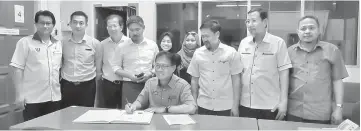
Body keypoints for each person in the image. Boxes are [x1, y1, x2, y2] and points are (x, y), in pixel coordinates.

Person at [287, 15, 348, 125]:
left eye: (311, 28)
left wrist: (339, 108)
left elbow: (337, 81)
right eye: (303, 28)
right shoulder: (289, 52)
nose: (307, 31)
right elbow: (284, 80)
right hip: (293, 111)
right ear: (298, 31)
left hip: (320, 113)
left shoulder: (332, 50)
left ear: (319, 30)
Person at [238, 8, 292, 120]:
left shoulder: (278, 43)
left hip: (269, 105)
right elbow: (240, 72)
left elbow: (284, 74)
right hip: (245, 104)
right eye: (247, 21)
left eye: (253, 20)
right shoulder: (243, 43)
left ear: (265, 22)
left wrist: (284, 102)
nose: (250, 24)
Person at [10, 10, 62, 121]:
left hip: (54, 98)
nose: (45, 26)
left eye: (48, 23)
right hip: (33, 99)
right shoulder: (25, 42)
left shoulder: (58, 44)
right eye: (42, 23)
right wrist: (19, 95)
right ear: (36, 24)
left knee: (52, 127)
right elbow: (17, 69)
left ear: (53, 25)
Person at [187, 20, 243, 116]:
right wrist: (194, 103)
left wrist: (235, 105)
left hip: (226, 106)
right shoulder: (198, 53)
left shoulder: (231, 53)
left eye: (207, 36)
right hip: (203, 105)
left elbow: (236, 80)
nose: (204, 39)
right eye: (203, 36)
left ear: (217, 34)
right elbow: (194, 80)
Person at [125, 51, 196, 114]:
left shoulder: (183, 85)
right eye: (157, 66)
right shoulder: (150, 83)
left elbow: (191, 108)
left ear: (173, 68)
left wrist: (166, 109)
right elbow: (140, 101)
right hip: (152, 123)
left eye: (164, 66)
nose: (159, 69)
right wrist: (133, 106)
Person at [111, 16, 159, 109]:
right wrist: (130, 76)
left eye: (138, 29)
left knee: (150, 112)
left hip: (149, 84)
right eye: (132, 30)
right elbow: (115, 67)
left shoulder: (152, 45)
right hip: (129, 85)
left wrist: (150, 73)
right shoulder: (122, 46)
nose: (135, 33)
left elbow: (158, 65)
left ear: (143, 28)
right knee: (130, 113)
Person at [61, 11, 102, 108]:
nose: (78, 26)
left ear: (86, 25)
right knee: (66, 115)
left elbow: (98, 68)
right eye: (74, 22)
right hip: (67, 85)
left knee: (86, 115)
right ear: (70, 24)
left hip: (87, 86)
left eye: (81, 23)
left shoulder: (95, 43)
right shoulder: (62, 43)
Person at [99, 14, 129, 108]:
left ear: (121, 27)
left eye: (115, 26)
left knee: (125, 111)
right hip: (108, 84)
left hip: (126, 84)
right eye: (109, 26)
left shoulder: (129, 43)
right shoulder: (102, 44)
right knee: (108, 112)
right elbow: (99, 64)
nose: (112, 29)